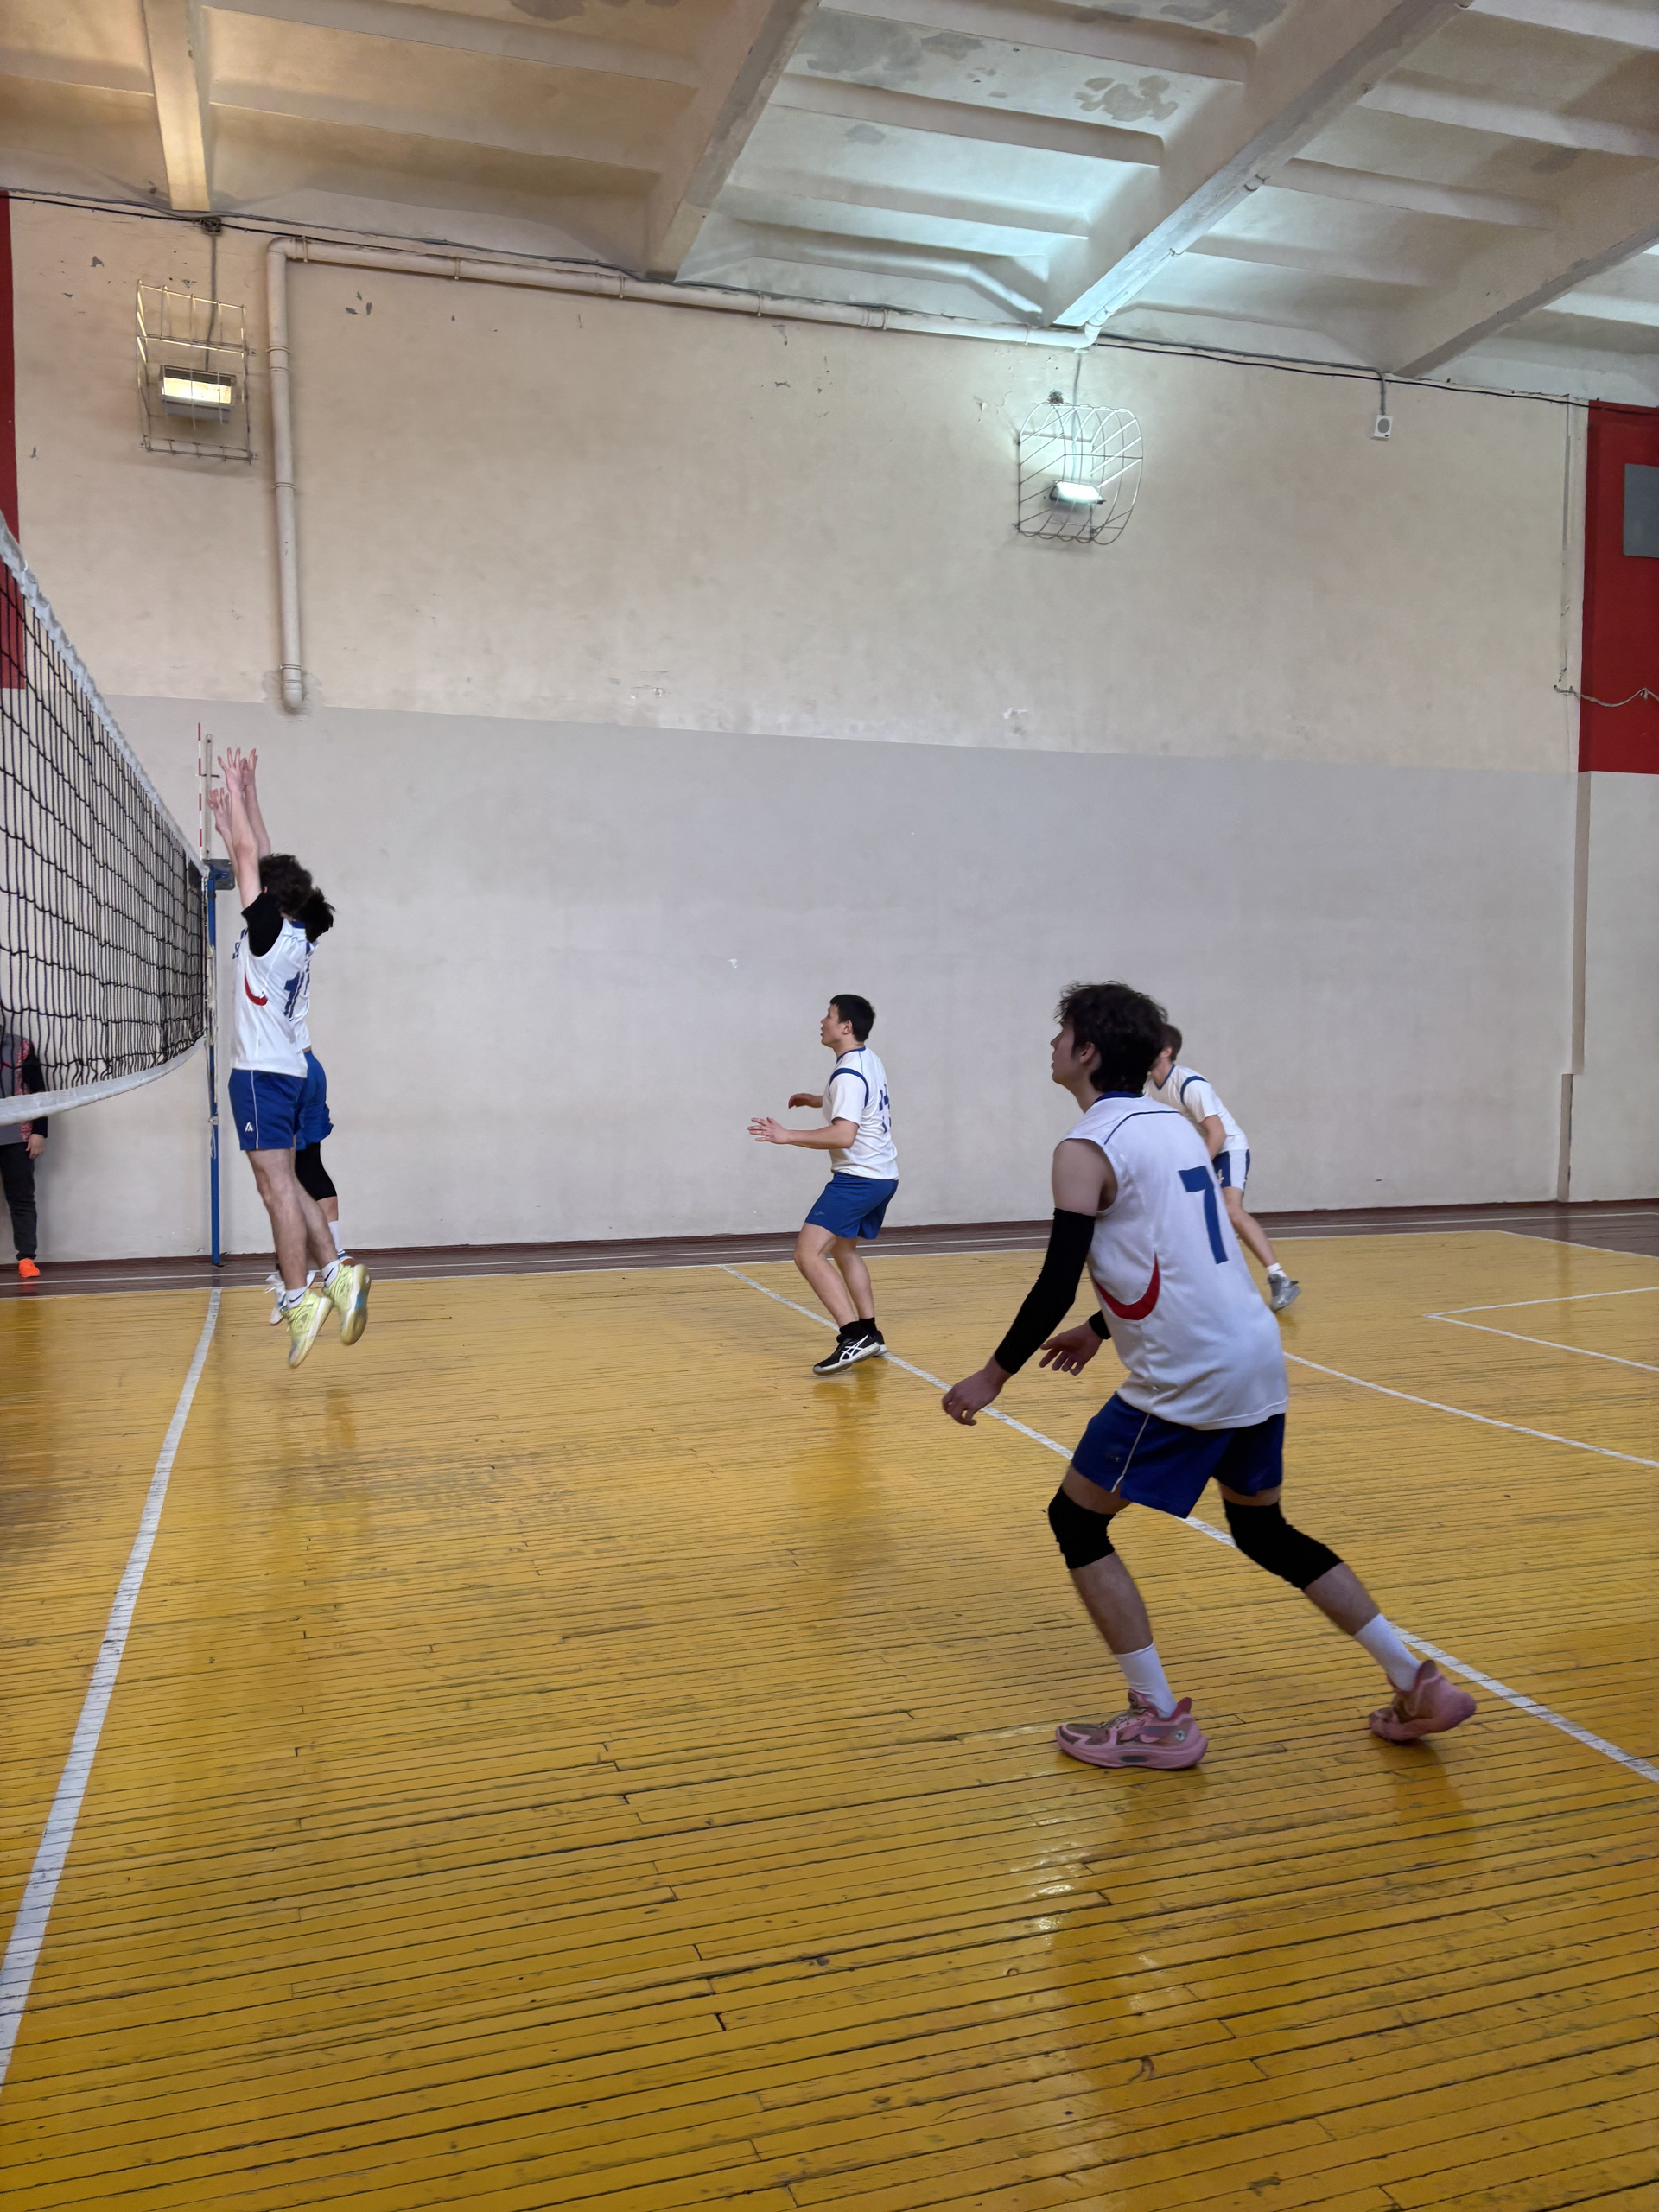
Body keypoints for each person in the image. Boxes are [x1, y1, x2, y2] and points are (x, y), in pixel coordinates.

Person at [941, 980, 1475, 1770]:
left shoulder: (1085, 1148)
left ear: (1087, 1050)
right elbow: (1185, 1254)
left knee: (1076, 1522)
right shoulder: (1176, 1127)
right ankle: (1415, 1680)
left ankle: (1159, 1720)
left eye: (1061, 1033)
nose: (1050, 1045)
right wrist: (1099, 1328)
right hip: (1253, 1353)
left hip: (1187, 1376)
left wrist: (993, 1375)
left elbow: (1056, 1278)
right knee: (1263, 1529)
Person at [207, 747, 369, 1366]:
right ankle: (337, 1272)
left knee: (275, 1188)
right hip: (292, 1069)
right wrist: (245, 802)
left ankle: (299, 1297)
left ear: (267, 900)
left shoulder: (267, 933)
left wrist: (232, 797)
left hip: (260, 1074)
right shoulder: (295, 928)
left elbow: (253, 857)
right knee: (288, 1180)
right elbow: (261, 857)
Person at [749, 995, 897, 1376]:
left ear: (845, 1027)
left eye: (829, 1016)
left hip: (858, 1178)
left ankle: (853, 1337)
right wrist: (819, 1100)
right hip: (883, 1175)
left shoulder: (847, 1074)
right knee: (845, 1250)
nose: (822, 1021)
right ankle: (871, 1332)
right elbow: (858, 1102)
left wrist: (787, 1135)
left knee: (808, 1254)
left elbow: (844, 1135)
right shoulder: (867, 1060)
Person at [1147, 1027, 1299, 1313]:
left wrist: (1197, 1170)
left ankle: (1279, 1278)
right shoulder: (1147, 1089)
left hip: (1227, 1148)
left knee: (1231, 1210)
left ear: (1167, 1051)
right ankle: (1203, 1287)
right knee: (1183, 1219)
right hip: (1196, 1152)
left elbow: (1216, 1134)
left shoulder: (1190, 1084)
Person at [265, 1050, 346, 1324]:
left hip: (284, 1073)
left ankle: (291, 1276)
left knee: (281, 1180)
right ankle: (336, 1259)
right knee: (310, 1164)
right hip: (311, 1067)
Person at [0, 1015, 48, 1281]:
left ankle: (27, 1258)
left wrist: (40, 1131)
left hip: (17, 1138)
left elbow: (39, 1093)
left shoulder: (22, 1047)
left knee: (21, 1199)